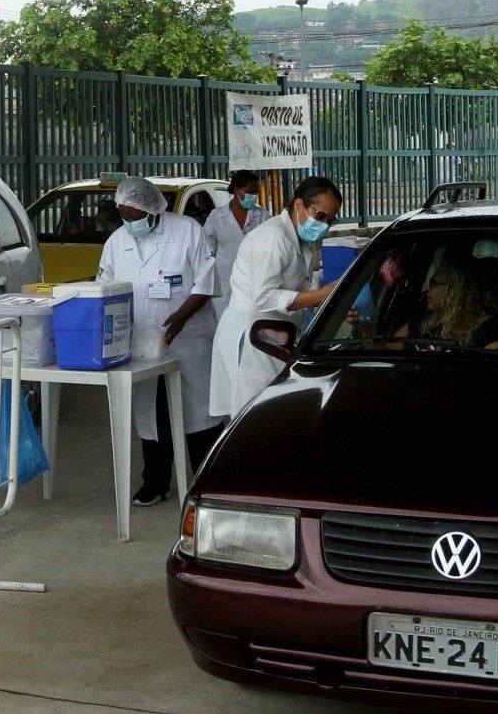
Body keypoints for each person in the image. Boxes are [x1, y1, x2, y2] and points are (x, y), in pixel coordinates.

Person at [96, 177, 221, 506]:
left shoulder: (187, 231)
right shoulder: (116, 242)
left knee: (200, 415)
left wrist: (181, 317)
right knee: (151, 415)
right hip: (141, 344)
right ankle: (155, 483)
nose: (130, 223)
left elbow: (206, 283)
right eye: (124, 216)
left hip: (189, 340)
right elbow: (103, 288)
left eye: (135, 217)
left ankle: (207, 485)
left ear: (153, 210)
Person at [209, 175, 344, 421]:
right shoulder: (272, 238)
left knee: (272, 413)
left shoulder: (303, 238)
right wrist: (316, 297)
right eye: (320, 216)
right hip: (251, 335)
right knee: (250, 417)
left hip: (276, 334)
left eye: (331, 219)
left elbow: (306, 280)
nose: (324, 225)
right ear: (298, 205)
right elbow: (264, 297)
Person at [405, 251, 498, 349]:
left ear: (455, 290)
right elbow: (392, 348)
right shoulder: (425, 319)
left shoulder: (490, 332)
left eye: (434, 282)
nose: (429, 289)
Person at [202, 170, 268, 321]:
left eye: (256, 192)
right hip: (225, 282)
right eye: (250, 192)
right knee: (226, 323)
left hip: (254, 280)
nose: (254, 196)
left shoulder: (262, 216)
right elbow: (207, 252)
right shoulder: (217, 216)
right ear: (237, 190)